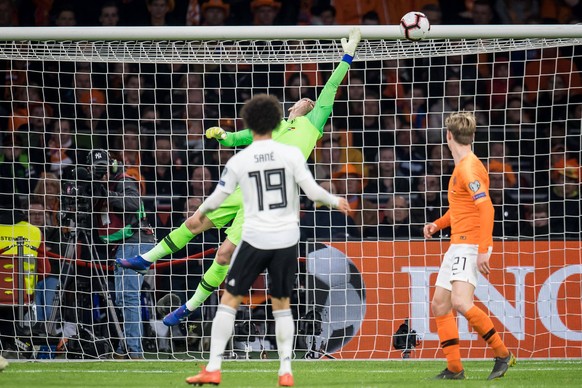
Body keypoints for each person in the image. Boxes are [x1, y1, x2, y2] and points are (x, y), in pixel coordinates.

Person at [117, 27, 362, 321]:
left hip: (266, 200)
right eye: (303, 99)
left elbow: (331, 88)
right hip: (245, 187)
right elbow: (238, 138)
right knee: (195, 221)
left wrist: (347, 55)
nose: (307, 101)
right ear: (292, 105)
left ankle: (189, 307)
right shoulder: (276, 125)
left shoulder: (313, 124)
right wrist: (222, 135)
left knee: (223, 254)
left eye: (311, 100)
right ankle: (145, 259)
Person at [182, 93, 350, 386]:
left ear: (252, 124)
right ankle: (286, 371)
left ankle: (213, 368)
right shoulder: (292, 154)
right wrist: (335, 201)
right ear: (278, 121)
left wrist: (198, 216)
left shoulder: (242, 159)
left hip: (256, 237)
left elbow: (217, 198)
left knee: (229, 300)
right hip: (285, 237)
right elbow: (312, 192)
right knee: (282, 304)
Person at [423, 111, 516, 380]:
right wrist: (437, 225)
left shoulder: (468, 168)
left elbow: (486, 207)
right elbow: (460, 209)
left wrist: (485, 249)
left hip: (469, 245)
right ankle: (454, 368)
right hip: (457, 244)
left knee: (462, 303)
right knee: (440, 304)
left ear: (448, 136)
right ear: (472, 136)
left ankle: (502, 354)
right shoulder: (463, 166)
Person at [88, 149, 156, 359]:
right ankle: (126, 346)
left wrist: (105, 193)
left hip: (136, 240)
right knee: (122, 298)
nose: (101, 173)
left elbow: (134, 203)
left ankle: (133, 350)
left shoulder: (123, 180)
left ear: (111, 166)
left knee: (128, 297)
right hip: (125, 244)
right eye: (96, 169)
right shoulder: (94, 187)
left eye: (103, 168)